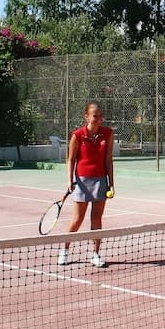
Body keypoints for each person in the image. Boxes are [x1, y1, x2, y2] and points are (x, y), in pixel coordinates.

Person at [58, 101, 115, 268]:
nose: (99, 119)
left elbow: (108, 160)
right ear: (87, 116)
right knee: (77, 219)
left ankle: (96, 254)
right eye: (95, 116)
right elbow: (71, 159)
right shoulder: (77, 135)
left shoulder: (108, 134)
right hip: (82, 181)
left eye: (100, 116)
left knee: (96, 220)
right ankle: (65, 251)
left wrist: (111, 184)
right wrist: (70, 180)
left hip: (100, 181)